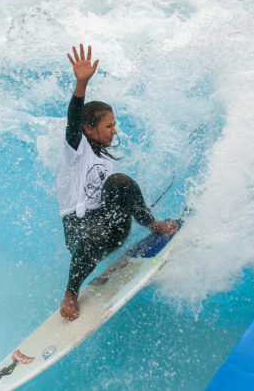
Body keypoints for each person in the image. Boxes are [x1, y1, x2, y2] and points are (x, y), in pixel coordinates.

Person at [57, 44, 178, 321]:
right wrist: (81, 85)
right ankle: (70, 294)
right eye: (108, 126)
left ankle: (153, 224)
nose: (114, 130)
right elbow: (72, 121)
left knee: (119, 181)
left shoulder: (105, 158)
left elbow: (119, 195)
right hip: (79, 232)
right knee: (94, 234)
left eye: (114, 125)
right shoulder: (76, 151)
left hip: (109, 228)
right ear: (89, 129)